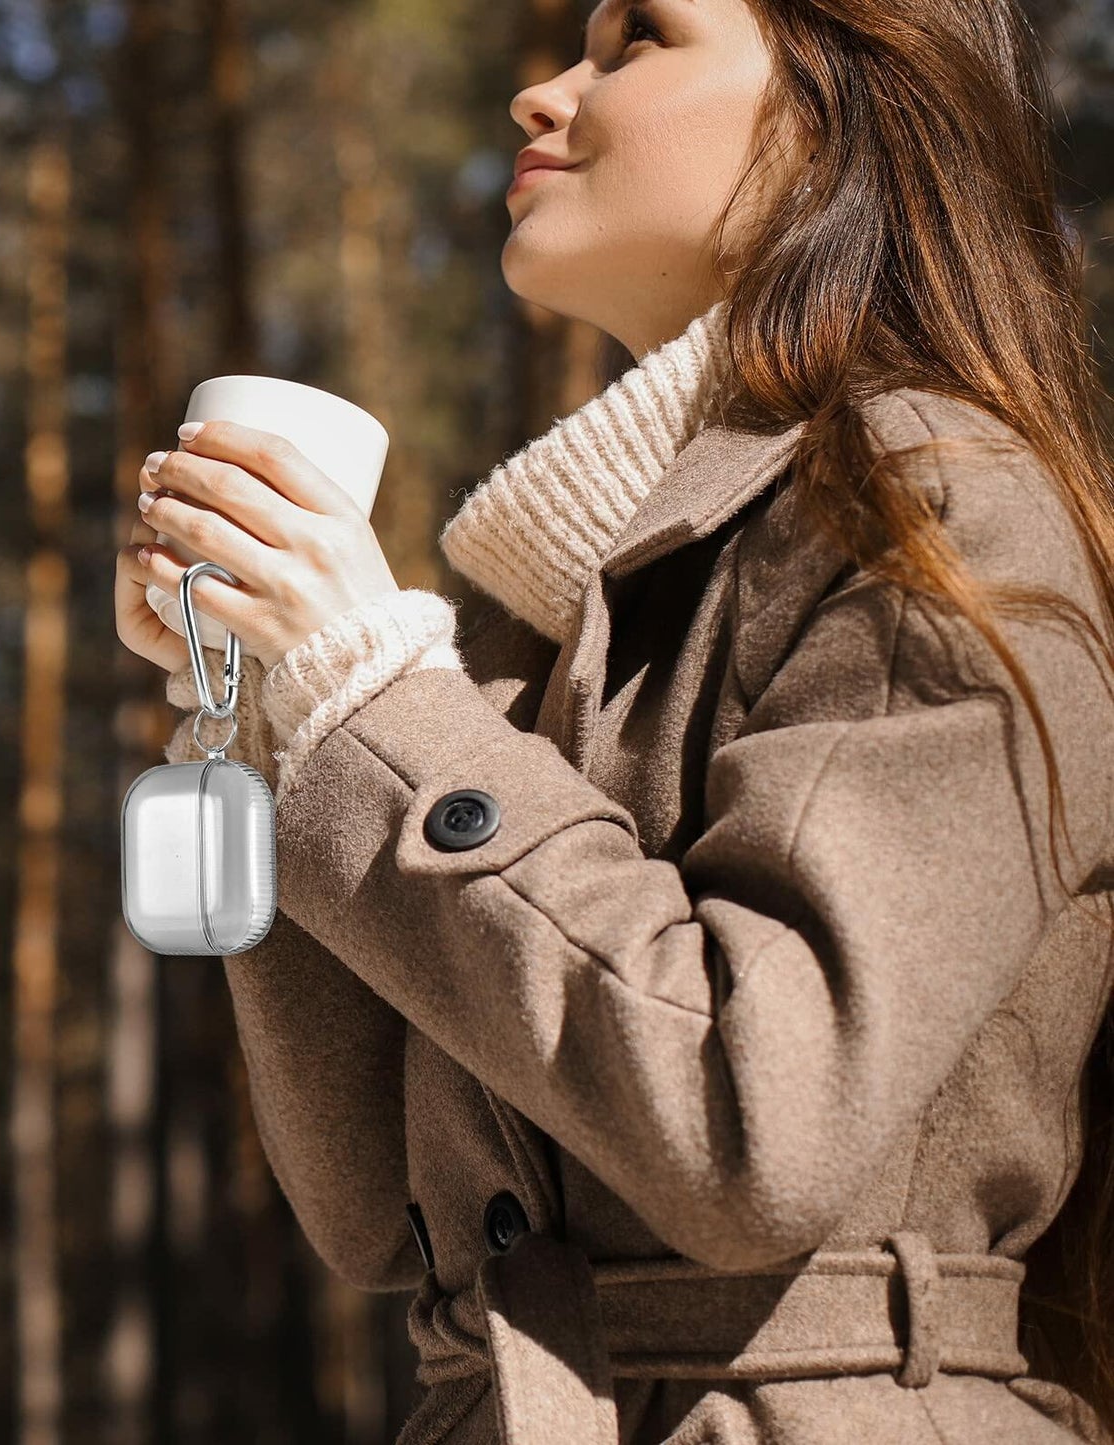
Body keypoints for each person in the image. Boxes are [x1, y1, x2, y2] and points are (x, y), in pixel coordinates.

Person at [113, 0, 1114, 1439]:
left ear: (840, 108)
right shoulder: (561, 618)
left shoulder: (936, 509)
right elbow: (377, 1216)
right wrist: (272, 705)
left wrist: (369, 693)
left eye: (634, 37)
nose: (542, 93)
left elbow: (747, 1127)